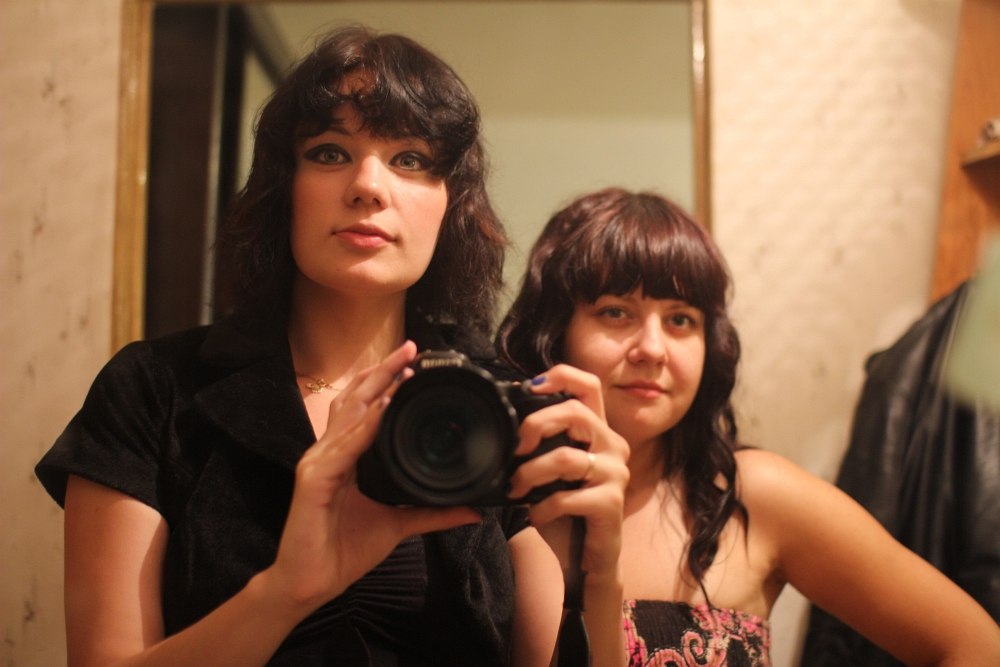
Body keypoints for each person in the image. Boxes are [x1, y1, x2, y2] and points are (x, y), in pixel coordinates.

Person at [34, 26, 628, 667]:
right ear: (282, 187)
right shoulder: (154, 389)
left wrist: (595, 580)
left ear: (450, 203)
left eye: (410, 159)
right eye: (329, 152)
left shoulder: (491, 400)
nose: (368, 185)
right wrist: (286, 591)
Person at [496, 187, 1000, 666]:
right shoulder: (502, 505)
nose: (652, 348)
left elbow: (977, 647)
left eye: (680, 320)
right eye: (615, 312)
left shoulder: (751, 496)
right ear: (555, 333)